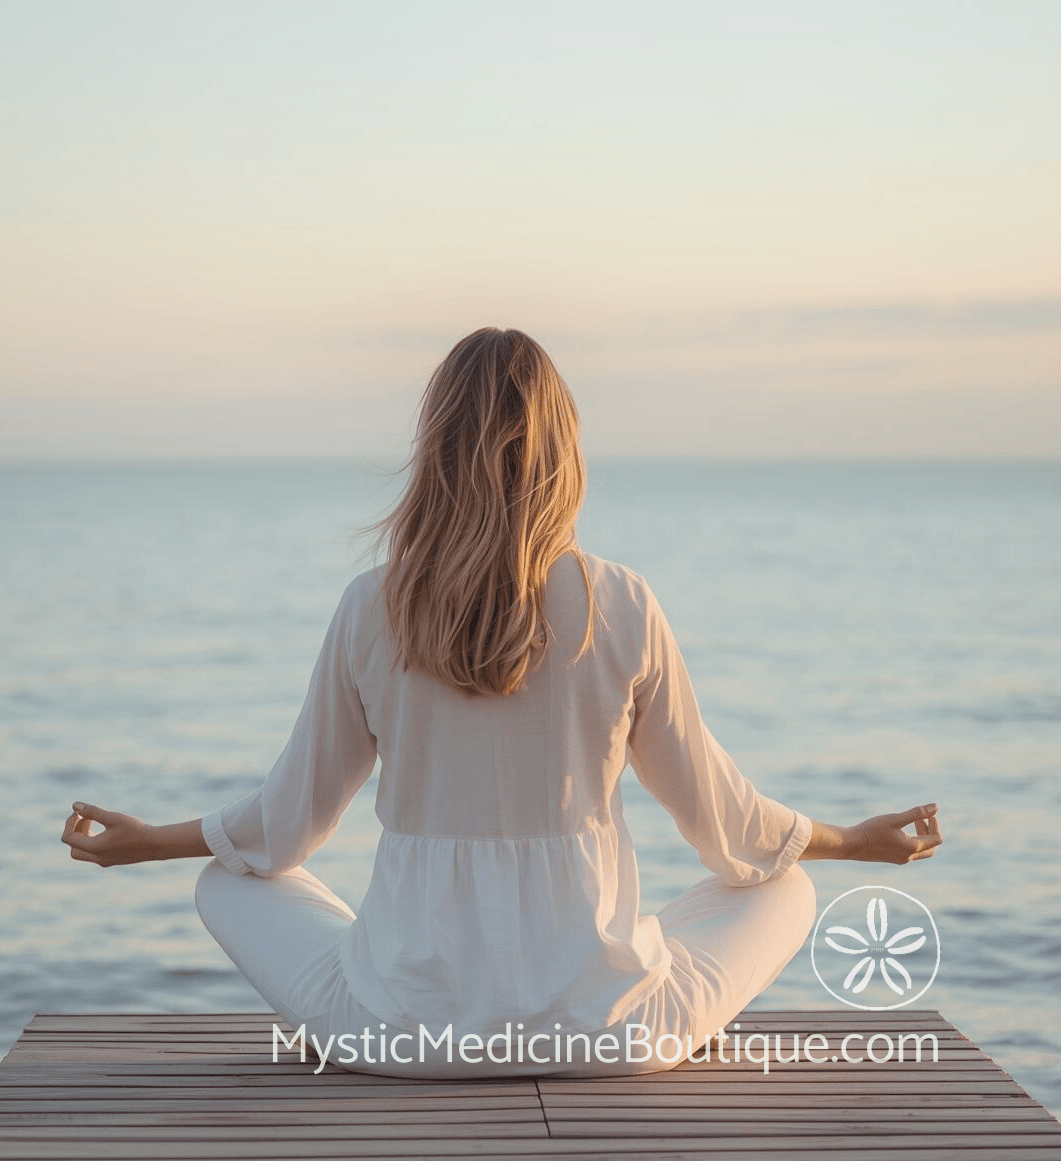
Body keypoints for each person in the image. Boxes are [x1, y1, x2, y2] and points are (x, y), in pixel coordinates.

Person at [62, 327, 942, 1076]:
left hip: (404, 1035)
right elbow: (736, 835)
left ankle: (395, 976)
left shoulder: (374, 606)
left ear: (434, 447)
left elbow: (279, 832)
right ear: (563, 449)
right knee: (782, 889)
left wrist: (150, 844)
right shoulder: (621, 603)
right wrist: (850, 841)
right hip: (609, 1033)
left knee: (228, 881)